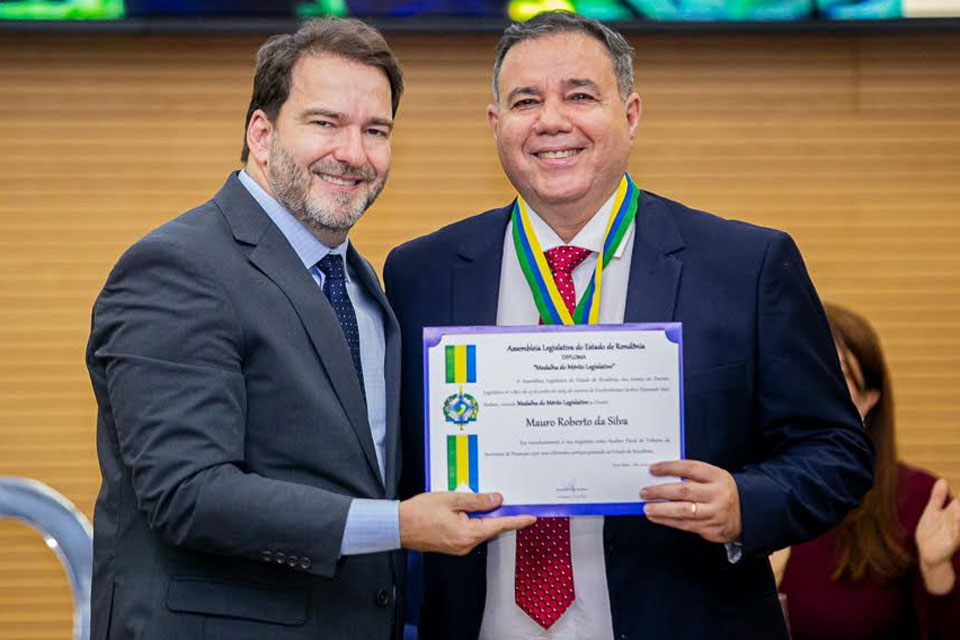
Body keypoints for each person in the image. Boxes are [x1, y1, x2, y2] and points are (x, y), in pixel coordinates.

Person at [382, 11, 874, 640]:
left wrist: (743, 504)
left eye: (580, 95)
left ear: (631, 114)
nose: (552, 120)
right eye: (526, 101)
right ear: (496, 124)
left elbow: (838, 451)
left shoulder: (746, 265)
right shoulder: (420, 273)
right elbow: (390, 468)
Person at [85, 18, 532, 640]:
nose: (353, 153)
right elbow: (189, 494)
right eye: (325, 123)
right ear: (261, 134)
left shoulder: (362, 283)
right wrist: (398, 525)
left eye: (375, 130)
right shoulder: (178, 267)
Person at [774, 303, 960, 640]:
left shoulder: (917, 498)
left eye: (836, 374)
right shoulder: (739, 492)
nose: (813, 388)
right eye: (803, 369)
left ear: (869, 399)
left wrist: (937, 571)